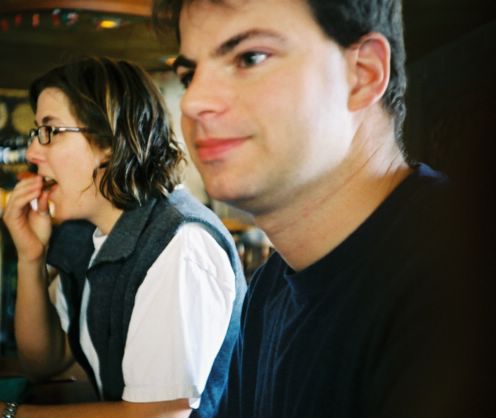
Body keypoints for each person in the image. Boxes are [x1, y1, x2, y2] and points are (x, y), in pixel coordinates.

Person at [152, 0, 490, 417]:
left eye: (250, 58)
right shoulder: (272, 286)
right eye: (190, 75)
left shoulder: (461, 274)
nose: (193, 102)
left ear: (362, 75)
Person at [0, 56, 246, 418]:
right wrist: (31, 258)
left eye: (50, 131)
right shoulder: (85, 234)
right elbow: (46, 361)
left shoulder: (179, 245)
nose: (32, 153)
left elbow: (156, 417)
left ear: (111, 140)